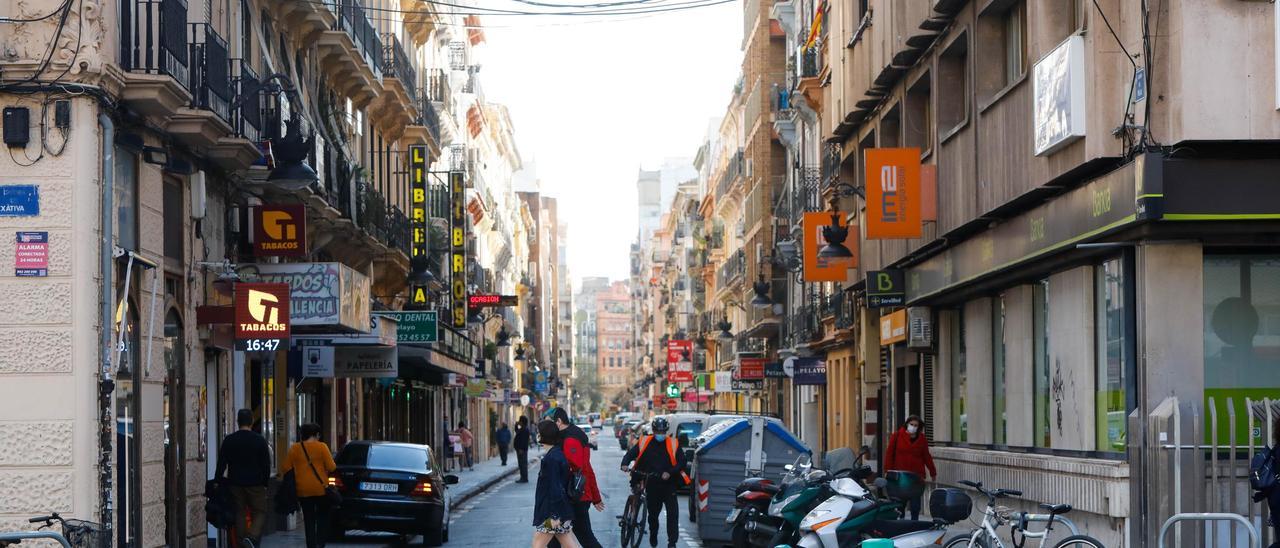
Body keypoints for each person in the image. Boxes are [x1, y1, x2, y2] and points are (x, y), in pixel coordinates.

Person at [621, 417, 688, 548]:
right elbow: (630, 454)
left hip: (669, 484)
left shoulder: (673, 443)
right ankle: (653, 535)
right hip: (651, 483)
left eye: (663, 432)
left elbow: (682, 462)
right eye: (658, 431)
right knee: (653, 516)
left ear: (666, 431)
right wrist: (624, 463)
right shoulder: (645, 441)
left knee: (672, 515)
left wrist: (670, 472)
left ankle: (672, 543)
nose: (660, 434)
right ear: (654, 430)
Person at [547, 408, 603, 548]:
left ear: (558, 421)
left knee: (585, 538)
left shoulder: (570, 438)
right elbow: (587, 469)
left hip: (573, 498)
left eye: (550, 424)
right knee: (553, 537)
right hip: (575, 497)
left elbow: (575, 467)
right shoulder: (573, 434)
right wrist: (595, 497)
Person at [215, 409, 271, 548]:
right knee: (260, 511)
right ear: (252, 421)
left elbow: (221, 463)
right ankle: (251, 537)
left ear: (237, 422)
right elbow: (266, 464)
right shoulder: (259, 440)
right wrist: (265, 482)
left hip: (235, 483)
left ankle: (241, 543)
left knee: (239, 512)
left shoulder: (229, 440)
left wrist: (217, 480)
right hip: (255, 483)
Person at [281, 423, 337, 548]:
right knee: (322, 518)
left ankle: (311, 545)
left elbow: (285, 467)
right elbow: (332, 466)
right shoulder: (322, 447)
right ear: (317, 435)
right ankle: (320, 544)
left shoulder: (294, 448)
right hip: (321, 489)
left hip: (303, 490)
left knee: (308, 519)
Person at [531, 420, 581, 548]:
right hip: (560, 511)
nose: (537, 435)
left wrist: (554, 515)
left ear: (544, 435)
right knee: (570, 545)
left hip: (552, 513)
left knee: (538, 544)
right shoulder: (556, 454)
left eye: (539, 432)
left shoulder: (552, 458)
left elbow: (555, 487)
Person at [883, 414, 937, 521]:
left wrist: (932, 471)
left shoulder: (922, 439)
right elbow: (889, 454)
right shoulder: (897, 436)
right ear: (907, 424)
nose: (913, 427)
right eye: (911, 424)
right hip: (901, 475)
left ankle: (914, 522)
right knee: (900, 502)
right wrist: (887, 471)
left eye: (916, 425)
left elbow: (926, 456)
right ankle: (900, 521)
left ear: (919, 427)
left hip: (916, 476)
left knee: (915, 503)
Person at [514, 416, 531, 483]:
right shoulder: (522, 429)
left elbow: (523, 441)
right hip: (520, 449)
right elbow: (517, 431)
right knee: (521, 464)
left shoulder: (525, 430)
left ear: (522, 422)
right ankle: (523, 477)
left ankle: (524, 478)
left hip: (522, 450)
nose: (519, 422)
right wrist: (516, 425)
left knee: (523, 464)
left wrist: (521, 449)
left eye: (520, 421)